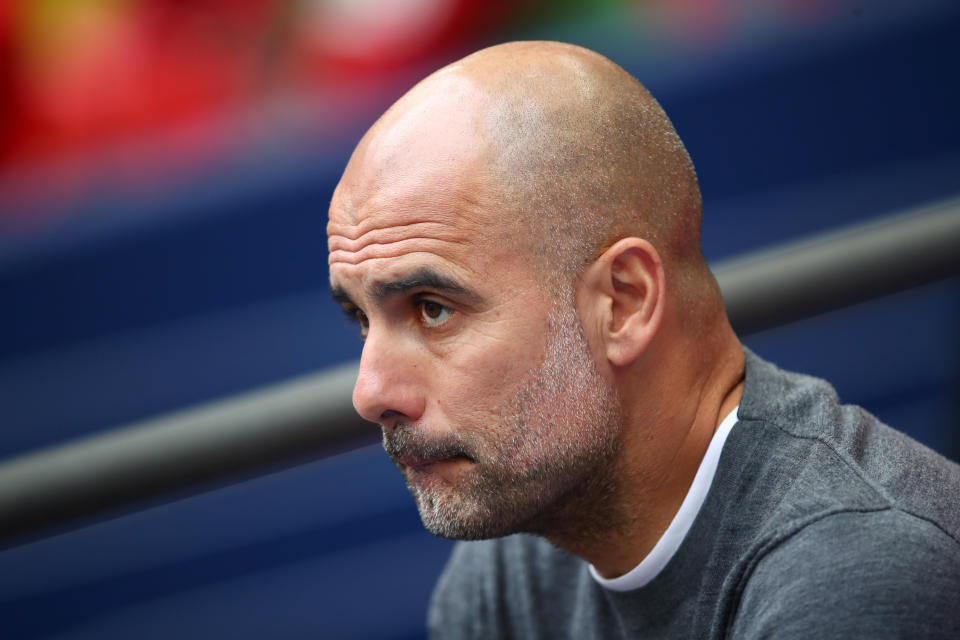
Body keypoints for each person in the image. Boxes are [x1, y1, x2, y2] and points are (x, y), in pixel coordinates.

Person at [326, 41, 960, 639]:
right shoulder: (508, 577)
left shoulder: (854, 574)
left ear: (623, 303)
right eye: (360, 317)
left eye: (433, 309)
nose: (370, 392)